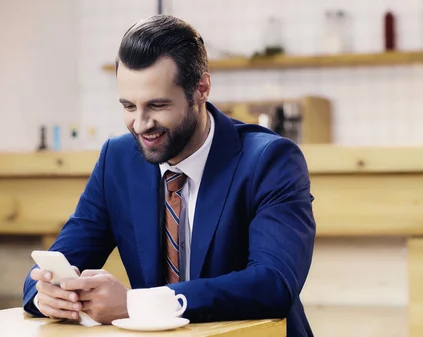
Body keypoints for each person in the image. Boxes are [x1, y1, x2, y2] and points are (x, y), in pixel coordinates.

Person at [22, 14, 316, 337]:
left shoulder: (270, 161)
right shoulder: (117, 161)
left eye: (157, 105)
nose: (140, 124)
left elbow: (274, 284)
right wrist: (49, 294)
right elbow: (54, 263)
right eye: (129, 106)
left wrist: (137, 304)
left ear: (201, 88)